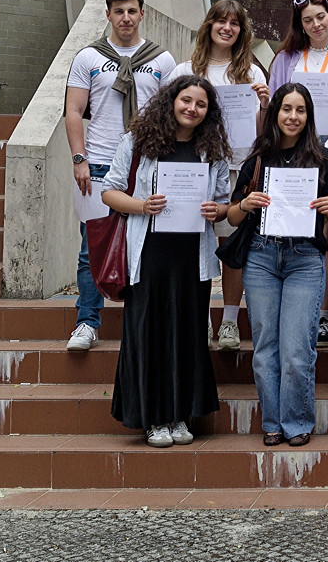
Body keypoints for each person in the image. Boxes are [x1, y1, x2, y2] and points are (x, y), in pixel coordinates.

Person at [101, 74, 231, 448]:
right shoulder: (139, 142)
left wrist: (215, 210)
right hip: (150, 254)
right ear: (172, 101)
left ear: (208, 112)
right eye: (186, 100)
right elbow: (109, 192)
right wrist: (142, 206)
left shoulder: (213, 151)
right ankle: (154, 418)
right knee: (150, 333)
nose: (192, 108)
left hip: (192, 257)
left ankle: (180, 416)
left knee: (188, 333)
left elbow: (222, 203)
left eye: (201, 104)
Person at [226, 82, 328, 447]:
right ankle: (273, 422)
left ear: (309, 116)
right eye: (286, 109)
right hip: (261, 256)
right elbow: (230, 216)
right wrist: (245, 206)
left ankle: (296, 421)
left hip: (305, 260)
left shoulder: (323, 159)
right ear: (275, 113)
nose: (293, 116)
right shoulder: (258, 158)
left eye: (301, 110)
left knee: (296, 348)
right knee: (265, 346)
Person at [63, 0, 176, 352]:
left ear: (142, 14)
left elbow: (173, 113)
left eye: (132, 11)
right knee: (91, 246)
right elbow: (74, 112)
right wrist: (78, 158)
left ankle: (142, 321)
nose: (125, 18)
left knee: (146, 246)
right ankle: (87, 321)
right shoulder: (89, 58)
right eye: (118, 11)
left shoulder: (161, 60)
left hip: (146, 163)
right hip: (97, 161)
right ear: (108, 15)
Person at [170, 0, 271, 352]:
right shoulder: (186, 68)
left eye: (235, 23)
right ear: (209, 25)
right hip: (192, 167)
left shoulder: (253, 73)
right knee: (188, 244)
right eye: (221, 22)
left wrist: (263, 106)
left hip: (235, 166)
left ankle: (228, 321)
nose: (227, 28)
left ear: (242, 31)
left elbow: (262, 133)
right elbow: (169, 117)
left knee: (230, 246)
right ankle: (191, 318)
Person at [265, 0, 328, 349]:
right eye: (307, 20)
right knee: (291, 224)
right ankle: (290, 309)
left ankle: (321, 313)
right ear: (300, 26)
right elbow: (274, 108)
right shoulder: (286, 58)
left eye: (321, 17)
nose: (316, 24)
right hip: (291, 155)